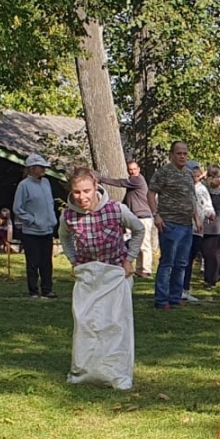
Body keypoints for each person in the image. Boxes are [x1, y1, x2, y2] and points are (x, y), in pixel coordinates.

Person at [57, 167, 145, 389]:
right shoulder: (68, 216)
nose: (82, 197)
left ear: (95, 186)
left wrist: (130, 259)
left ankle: (115, 372)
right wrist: (74, 261)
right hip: (89, 276)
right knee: (87, 323)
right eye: (77, 192)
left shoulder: (116, 209)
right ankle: (86, 370)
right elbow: (64, 238)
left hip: (115, 274)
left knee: (115, 323)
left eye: (86, 190)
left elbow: (138, 229)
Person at [147, 141, 198, 310]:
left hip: (186, 225)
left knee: (182, 263)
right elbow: (151, 192)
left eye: (185, 153)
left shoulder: (189, 174)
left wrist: (196, 217)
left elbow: (192, 198)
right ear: (172, 154)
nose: (182, 156)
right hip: (169, 223)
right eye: (179, 153)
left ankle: (175, 296)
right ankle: (161, 299)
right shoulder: (164, 172)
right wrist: (156, 215)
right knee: (167, 262)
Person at [98, 158, 157, 277]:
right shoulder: (132, 183)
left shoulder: (137, 180)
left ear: (139, 169)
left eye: (135, 169)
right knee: (137, 244)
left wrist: (101, 179)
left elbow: (119, 183)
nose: (132, 172)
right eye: (130, 170)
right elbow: (126, 199)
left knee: (144, 244)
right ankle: (140, 269)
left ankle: (146, 269)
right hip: (135, 216)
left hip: (143, 216)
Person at [13, 153, 59, 298]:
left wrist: (51, 220)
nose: (43, 170)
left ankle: (47, 289)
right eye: (41, 167)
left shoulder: (46, 183)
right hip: (31, 231)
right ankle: (33, 290)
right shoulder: (24, 186)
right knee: (33, 262)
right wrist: (32, 220)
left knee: (46, 261)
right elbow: (17, 208)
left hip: (47, 230)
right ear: (32, 168)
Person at [182, 161, 215, 303]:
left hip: (197, 230)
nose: (196, 178)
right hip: (184, 226)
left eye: (197, 176)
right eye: (193, 176)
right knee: (182, 259)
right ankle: (177, 288)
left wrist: (210, 213)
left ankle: (185, 288)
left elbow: (207, 205)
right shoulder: (183, 188)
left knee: (190, 258)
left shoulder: (202, 190)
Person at [198, 166, 220, 287]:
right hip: (216, 224)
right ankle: (211, 278)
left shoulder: (203, 188)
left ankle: (208, 278)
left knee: (204, 252)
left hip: (203, 222)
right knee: (211, 254)